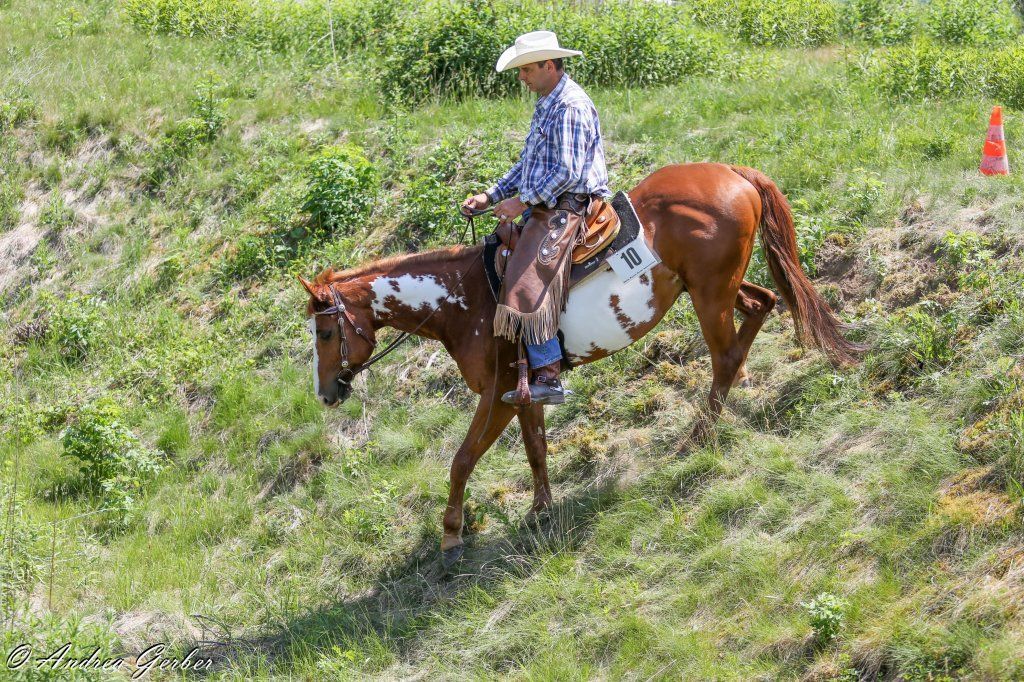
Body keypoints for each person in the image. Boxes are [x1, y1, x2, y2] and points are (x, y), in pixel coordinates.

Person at [462, 31, 611, 405]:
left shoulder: (570, 106)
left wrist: (522, 202)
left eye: (526, 69)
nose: (521, 77)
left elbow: (568, 171)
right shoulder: (548, 102)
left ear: (549, 65)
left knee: (526, 277)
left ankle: (547, 372)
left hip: (568, 205)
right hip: (548, 202)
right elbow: (529, 165)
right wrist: (492, 195)